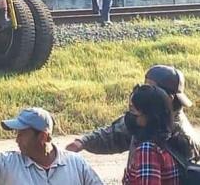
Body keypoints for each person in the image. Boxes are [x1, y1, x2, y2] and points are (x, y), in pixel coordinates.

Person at [67, 65, 200, 166]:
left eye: (150, 89)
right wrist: (82, 143)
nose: (143, 93)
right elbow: (115, 134)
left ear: (168, 98)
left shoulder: (181, 139)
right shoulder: (147, 118)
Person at [122, 84, 181, 184]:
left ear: (149, 116)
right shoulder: (168, 141)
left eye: (133, 110)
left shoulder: (148, 150)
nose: (129, 115)